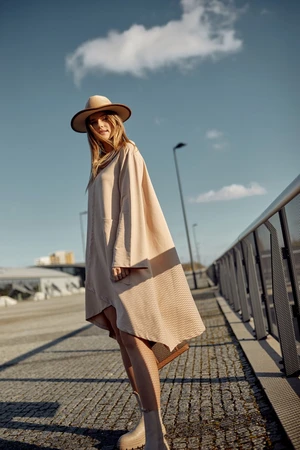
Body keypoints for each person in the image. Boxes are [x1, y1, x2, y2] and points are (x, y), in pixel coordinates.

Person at [71, 95, 206, 450]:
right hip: (102, 263)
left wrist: (124, 254)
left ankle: (157, 436)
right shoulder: (100, 165)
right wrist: (95, 269)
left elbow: (133, 205)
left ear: (116, 120)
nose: (100, 124)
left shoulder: (128, 152)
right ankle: (148, 422)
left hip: (124, 258)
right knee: (125, 343)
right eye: (93, 121)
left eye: (105, 118)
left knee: (134, 335)